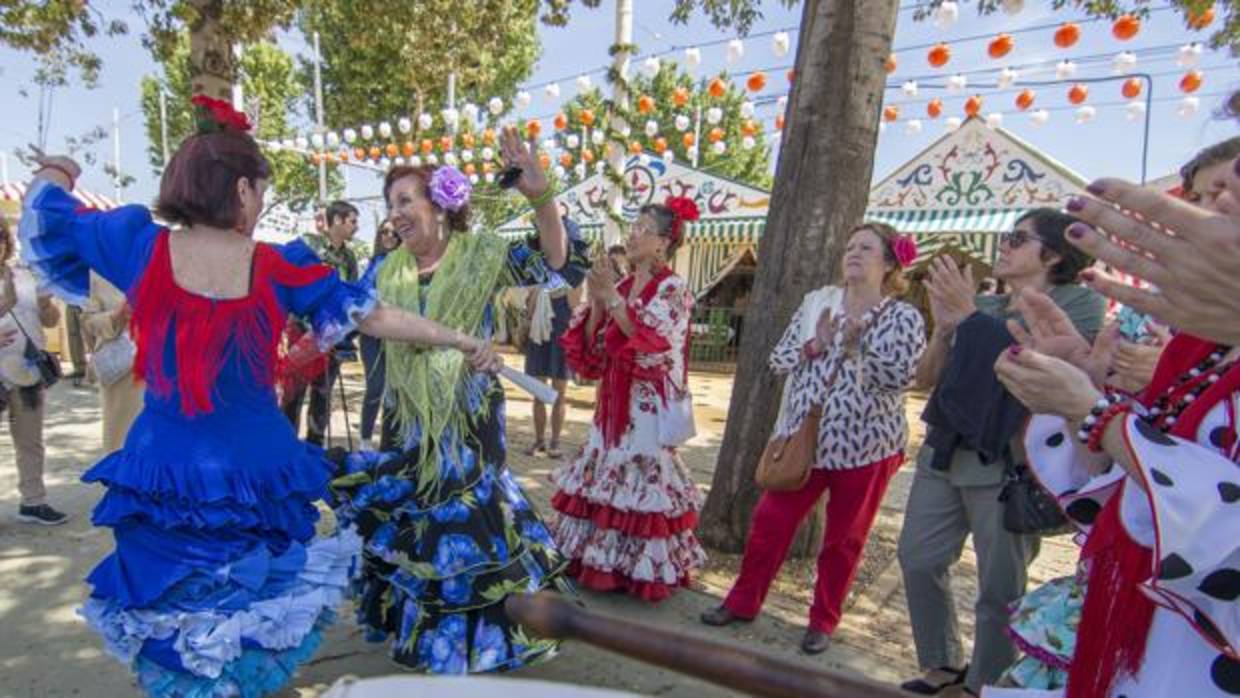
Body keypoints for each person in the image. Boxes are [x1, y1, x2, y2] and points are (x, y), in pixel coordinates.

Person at [20, 98, 496, 696]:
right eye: (261, 190)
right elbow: (374, 316)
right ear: (241, 188)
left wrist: (60, 168)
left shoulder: (138, 245)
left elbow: (47, 214)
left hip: (163, 473)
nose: (262, 202)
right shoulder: (277, 265)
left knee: (176, 624)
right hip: (260, 476)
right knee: (251, 621)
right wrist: (458, 337)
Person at [326, 127, 589, 673]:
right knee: (419, 523)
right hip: (408, 423)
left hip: (469, 424)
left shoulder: (483, 254)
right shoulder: (383, 270)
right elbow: (354, 316)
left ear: (440, 205)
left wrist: (540, 195)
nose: (394, 214)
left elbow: (557, 261)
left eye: (405, 201)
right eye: (389, 204)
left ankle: (476, 649)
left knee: (465, 524)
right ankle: (430, 643)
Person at [897, 208, 1105, 696]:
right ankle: (942, 663)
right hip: (946, 453)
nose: (1004, 245)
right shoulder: (985, 307)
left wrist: (967, 318)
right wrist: (947, 329)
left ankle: (986, 682)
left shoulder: (1078, 305)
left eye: (1018, 237)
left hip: (1009, 467)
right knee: (918, 559)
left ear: (1052, 255)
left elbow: (1025, 369)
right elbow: (926, 379)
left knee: (998, 589)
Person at [700, 223, 926, 654]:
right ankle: (742, 601)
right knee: (769, 524)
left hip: (867, 448)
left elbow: (900, 380)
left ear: (890, 264)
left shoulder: (904, 316)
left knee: (844, 540)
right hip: (805, 442)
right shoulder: (816, 304)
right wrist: (814, 346)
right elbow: (778, 359)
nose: (853, 253)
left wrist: (860, 346)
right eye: (849, 245)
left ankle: (823, 621)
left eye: (865, 247)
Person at [549, 197, 706, 602]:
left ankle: (642, 570)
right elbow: (592, 354)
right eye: (633, 227)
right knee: (605, 477)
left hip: (646, 408)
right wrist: (598, 300)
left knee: (642, 477)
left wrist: (613, 300)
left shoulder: (674, 289)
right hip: (611, 404)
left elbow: (652, 343)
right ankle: (600, 563)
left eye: (643, 229)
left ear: (663, 243)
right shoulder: (618, 285)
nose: (634, 235)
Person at [0, 216, 67, 525]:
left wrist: (45, 307)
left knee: (30, 439)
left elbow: (51, 322)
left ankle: (33, 501)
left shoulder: (26, 277)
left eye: (1, 237)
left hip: (27, 371)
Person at [281, 199, 360, 445]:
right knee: (293, 395)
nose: (356, 227)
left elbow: (351, 294)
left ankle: (315, 449)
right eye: (352, 221)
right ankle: (287, 450)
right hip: (302, 331)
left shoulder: (349, 257)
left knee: (322, 395)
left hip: (332, 336)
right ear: (336, 220)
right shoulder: (308, 245)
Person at [522, 217, 587, 459]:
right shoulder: (536, 265)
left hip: (562, 330)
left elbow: (574, 303)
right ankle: (539, 440)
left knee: (560, 391)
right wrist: (536, 292)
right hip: (539, 334)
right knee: (538, 390)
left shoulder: (575, 270)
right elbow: (528, 306)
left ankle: (556, 442)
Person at [80, 272, 142, 452]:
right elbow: (88, 321)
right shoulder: (100, 269)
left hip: (162, 367)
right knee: (121, 442)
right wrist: (117, 316)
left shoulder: (169, 256)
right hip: (122, 372)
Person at [357, 220, 400, 450]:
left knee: (396, 389)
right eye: (384, 231)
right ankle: (364, 441)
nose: (389, 236)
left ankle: (389, 443)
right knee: (375, 386)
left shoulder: (409, 262)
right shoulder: (374, 263)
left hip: (399, 334)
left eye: (394, 232)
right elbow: (361, 292)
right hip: (372, 334)